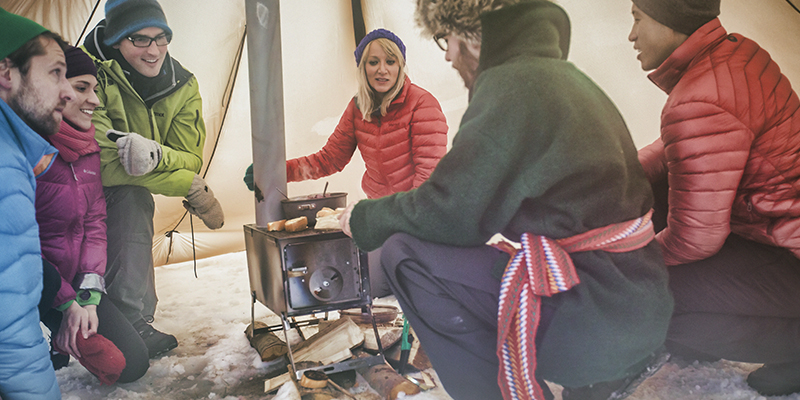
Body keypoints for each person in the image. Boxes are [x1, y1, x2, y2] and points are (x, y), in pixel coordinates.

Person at [337, 1, 674, 399]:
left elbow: (452, 212)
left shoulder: (512, 86)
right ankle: (599, 379)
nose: (446, 53)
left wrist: (366, 217)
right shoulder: (566, 78)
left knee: (403, 253)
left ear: (478, 36)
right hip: (634, 305)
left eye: (449, 38)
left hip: (594, 318)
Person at [628, 0, 800, 396]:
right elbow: (682, 150)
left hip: (788, 254)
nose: (632, 36)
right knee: (646, 193)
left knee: (653, 302)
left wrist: (630, 267)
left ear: (669, 22)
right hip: (771, 226)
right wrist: (621, 174)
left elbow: (696, 239)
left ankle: (792, 345)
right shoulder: (738, 52)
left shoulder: (699, 99)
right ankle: (712, 330)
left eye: (638, 20)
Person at [246, 28, 448, 297]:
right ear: (362, 67)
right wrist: (272, 172)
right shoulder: (358, 108)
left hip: (418, 221)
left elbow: (428, 177)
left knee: (413, 294)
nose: (382, 70)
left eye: (390, 61)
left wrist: (399, 220)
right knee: (371, 292)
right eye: (373, 62)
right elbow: (328, 159)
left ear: (401, 65)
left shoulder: (422, 104)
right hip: (382, 218)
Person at [82, 0, 224, 358]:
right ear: (116, 40)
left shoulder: (183, 84)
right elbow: (96, 161)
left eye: (161, 38)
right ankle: (125, 323)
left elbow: (191, 157)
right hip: (72, 190)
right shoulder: (86, 72)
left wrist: (156, 154)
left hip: (125, 195)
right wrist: (187, 185)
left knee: (133, 195)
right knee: (131, 195)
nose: (154, 50)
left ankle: (135, 321)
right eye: (139, 40)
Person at [36, 46, 150, 384]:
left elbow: (94, 225)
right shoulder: (27, 151)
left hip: (71, 286)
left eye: (95, 89)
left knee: (130, 364)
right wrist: (64, 304)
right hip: (30, 285)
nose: (95, 101)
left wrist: (87, 299)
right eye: (82, 88)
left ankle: (61, 335)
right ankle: (44, 331)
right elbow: (16, 246)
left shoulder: (88, 150)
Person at [0, 8, 73, 400]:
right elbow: (9, 331)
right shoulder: (3, 164)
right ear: (7, 72)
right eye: (55, 72)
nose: (68, 91)